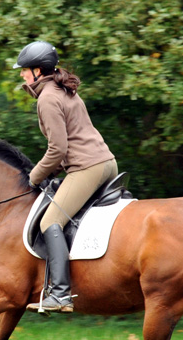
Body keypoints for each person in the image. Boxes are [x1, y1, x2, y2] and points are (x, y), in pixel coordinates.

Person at [14, 40, 118, 314]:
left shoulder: (47, 98)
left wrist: (34, 177)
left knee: (50, 221)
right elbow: (68, 144)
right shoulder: (62, 89)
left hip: (88, 168)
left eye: (25, 70)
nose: (22, 74)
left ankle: (60, 294)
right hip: (106, 162)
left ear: (38, 71)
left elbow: (58, 148)